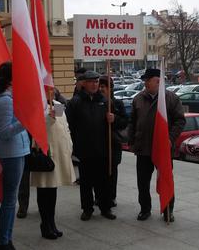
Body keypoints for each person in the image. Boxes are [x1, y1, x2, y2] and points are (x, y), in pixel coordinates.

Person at [129, 68, 184, 222]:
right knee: (143, 182)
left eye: (148, 80)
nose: (145, 83)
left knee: (166, 179)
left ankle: (168, 210)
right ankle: (145, 209)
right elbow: (132, 122)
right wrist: (132, 141)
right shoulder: (138, 99)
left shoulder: (171, 98)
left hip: (163, 149)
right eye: (145, 80)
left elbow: (180, 121)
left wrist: (170, 138)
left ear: (158, 81)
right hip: (143, 149)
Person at [0, 62, 30, 250]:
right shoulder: (5, 101)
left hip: (16, 151)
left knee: (11, 199)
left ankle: (6, 238)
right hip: (12, 153)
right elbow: (4, 132)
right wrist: (27, 121)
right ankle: (4, 242)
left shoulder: (7, 98)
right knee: (10, 200)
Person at [65, 70, 116, 221]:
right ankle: (87, 209)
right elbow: (69, 125)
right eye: (91, 82)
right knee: (86, 182)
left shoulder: (106, 102)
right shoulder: (76, 102)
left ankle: (105, 208)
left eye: (96, 82)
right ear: (84, 84)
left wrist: (114, 119)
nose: (94, 85)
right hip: (84, 149)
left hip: (103, 149)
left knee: (104, 181)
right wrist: (74, 146)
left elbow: (122, 122)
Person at [30, 101, 75, 240]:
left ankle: (52, 223)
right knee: (44, 189)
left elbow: (65, 126)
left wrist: (69, 144)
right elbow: (36, 128)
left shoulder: (58, 104)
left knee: (52, 190)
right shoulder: (36, 105)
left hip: (60, 151)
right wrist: (49, 118)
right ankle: (45, 225)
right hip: (46, 153)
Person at [98, 75, 128, 208]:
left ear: (110, 88)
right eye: (100, 86)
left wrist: (114, 118)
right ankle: (99, 197)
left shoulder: (117, 104)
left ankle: (111, 197)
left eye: (103, 87)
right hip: (99, 143)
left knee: (112, 171)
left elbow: (125, 122)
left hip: (113, 144)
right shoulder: (96, 102)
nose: (101, 89)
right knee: (100, 172)